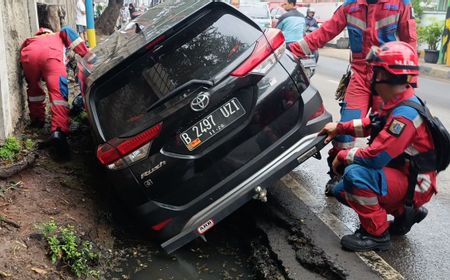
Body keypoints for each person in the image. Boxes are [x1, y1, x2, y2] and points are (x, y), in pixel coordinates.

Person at [289, 0, 417, 195]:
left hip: (388, 78)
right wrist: (291, 51)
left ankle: (377, 179)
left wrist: (409, 81)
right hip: (360, 76)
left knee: (383, 131)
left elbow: (410, 41)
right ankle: (337, 173)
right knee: (346, 129)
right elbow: (324, 33)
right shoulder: (350, 6)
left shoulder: (400, 3)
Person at [319, 41, 435, 251]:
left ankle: (377, 234)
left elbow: (375, 157)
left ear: (385, 76)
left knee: (355, 175)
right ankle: (405, 214)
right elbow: (371, 124)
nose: (372, 77)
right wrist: (339, 127)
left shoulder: (405, 115)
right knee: (341, 190)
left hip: (416, 184)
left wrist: (344, 155)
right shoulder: (398, 101)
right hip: (406, 174)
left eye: (377, 71)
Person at [20, 26, 89, 159]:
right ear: (49, 32)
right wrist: (86, 54)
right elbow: (67, 31)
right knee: (58, 97)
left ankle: (37, 120)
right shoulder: (58, 35)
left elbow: (22, 54)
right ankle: (58, 131)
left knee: (34, 90)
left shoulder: (30, 40)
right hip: (51, 56)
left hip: (29, 55)